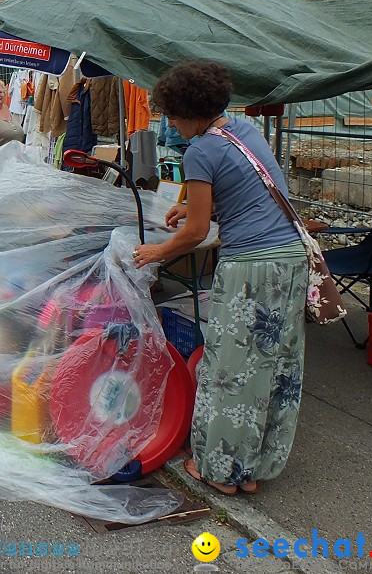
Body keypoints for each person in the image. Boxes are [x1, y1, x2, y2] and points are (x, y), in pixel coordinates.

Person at [134, 60, 306, 497]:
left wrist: (156, 251)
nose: (169, 123)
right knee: (273, 366)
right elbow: (235, 185)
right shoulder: (244, 129)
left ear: (192, 112)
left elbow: (195, 232)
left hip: (251, 267)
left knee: (230, 368)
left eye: (173, 115)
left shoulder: (199, 151)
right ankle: (252, 469)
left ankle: (219, 471)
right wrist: (190, 204)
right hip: (289, 260)